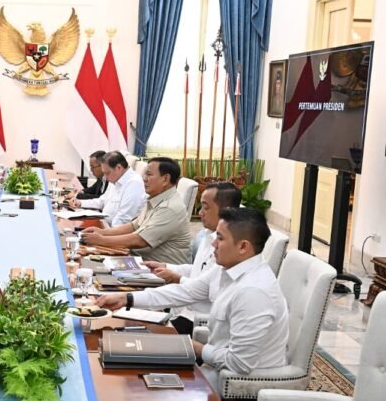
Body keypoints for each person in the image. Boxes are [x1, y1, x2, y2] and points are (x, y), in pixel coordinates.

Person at [96, 207, 289, 388]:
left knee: (138, 381)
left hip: (239, 384)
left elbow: (239, 363)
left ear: (243, 247)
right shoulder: (227, 268)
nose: (213, 243)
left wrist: (191, 346)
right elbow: (185, 292)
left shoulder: (253, 292)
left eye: (220, 238)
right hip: (215, 365)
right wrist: (127, 298)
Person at [146, 182, 242, 335]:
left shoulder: (229, 248)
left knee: (140, 332)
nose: (200, 212)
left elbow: (207, 289)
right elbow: (198, 270)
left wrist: (177, 278)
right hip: (181, 310)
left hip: (197, 320)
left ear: (226, 211)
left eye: (206, 207)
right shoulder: (208, 235)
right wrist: (166, 266)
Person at [82, 157, 191, 264]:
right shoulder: (156, 198)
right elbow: (134, 226)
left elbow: (140, 240)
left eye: (149, 174)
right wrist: (103, 232)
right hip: (141, 259)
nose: (144, 179)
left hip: (159, 269)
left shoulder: (169, 208)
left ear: (165, 179)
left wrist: (101, 240)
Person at [69, 151, 145, 227]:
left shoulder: (134, 184)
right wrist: (80, 203)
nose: (105, 177)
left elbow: (123, 219)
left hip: (114, 230)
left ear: (118, 167)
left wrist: (104, 232)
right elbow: (102, 201)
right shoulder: (116, 178)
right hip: (104, 224)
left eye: (107, 173)